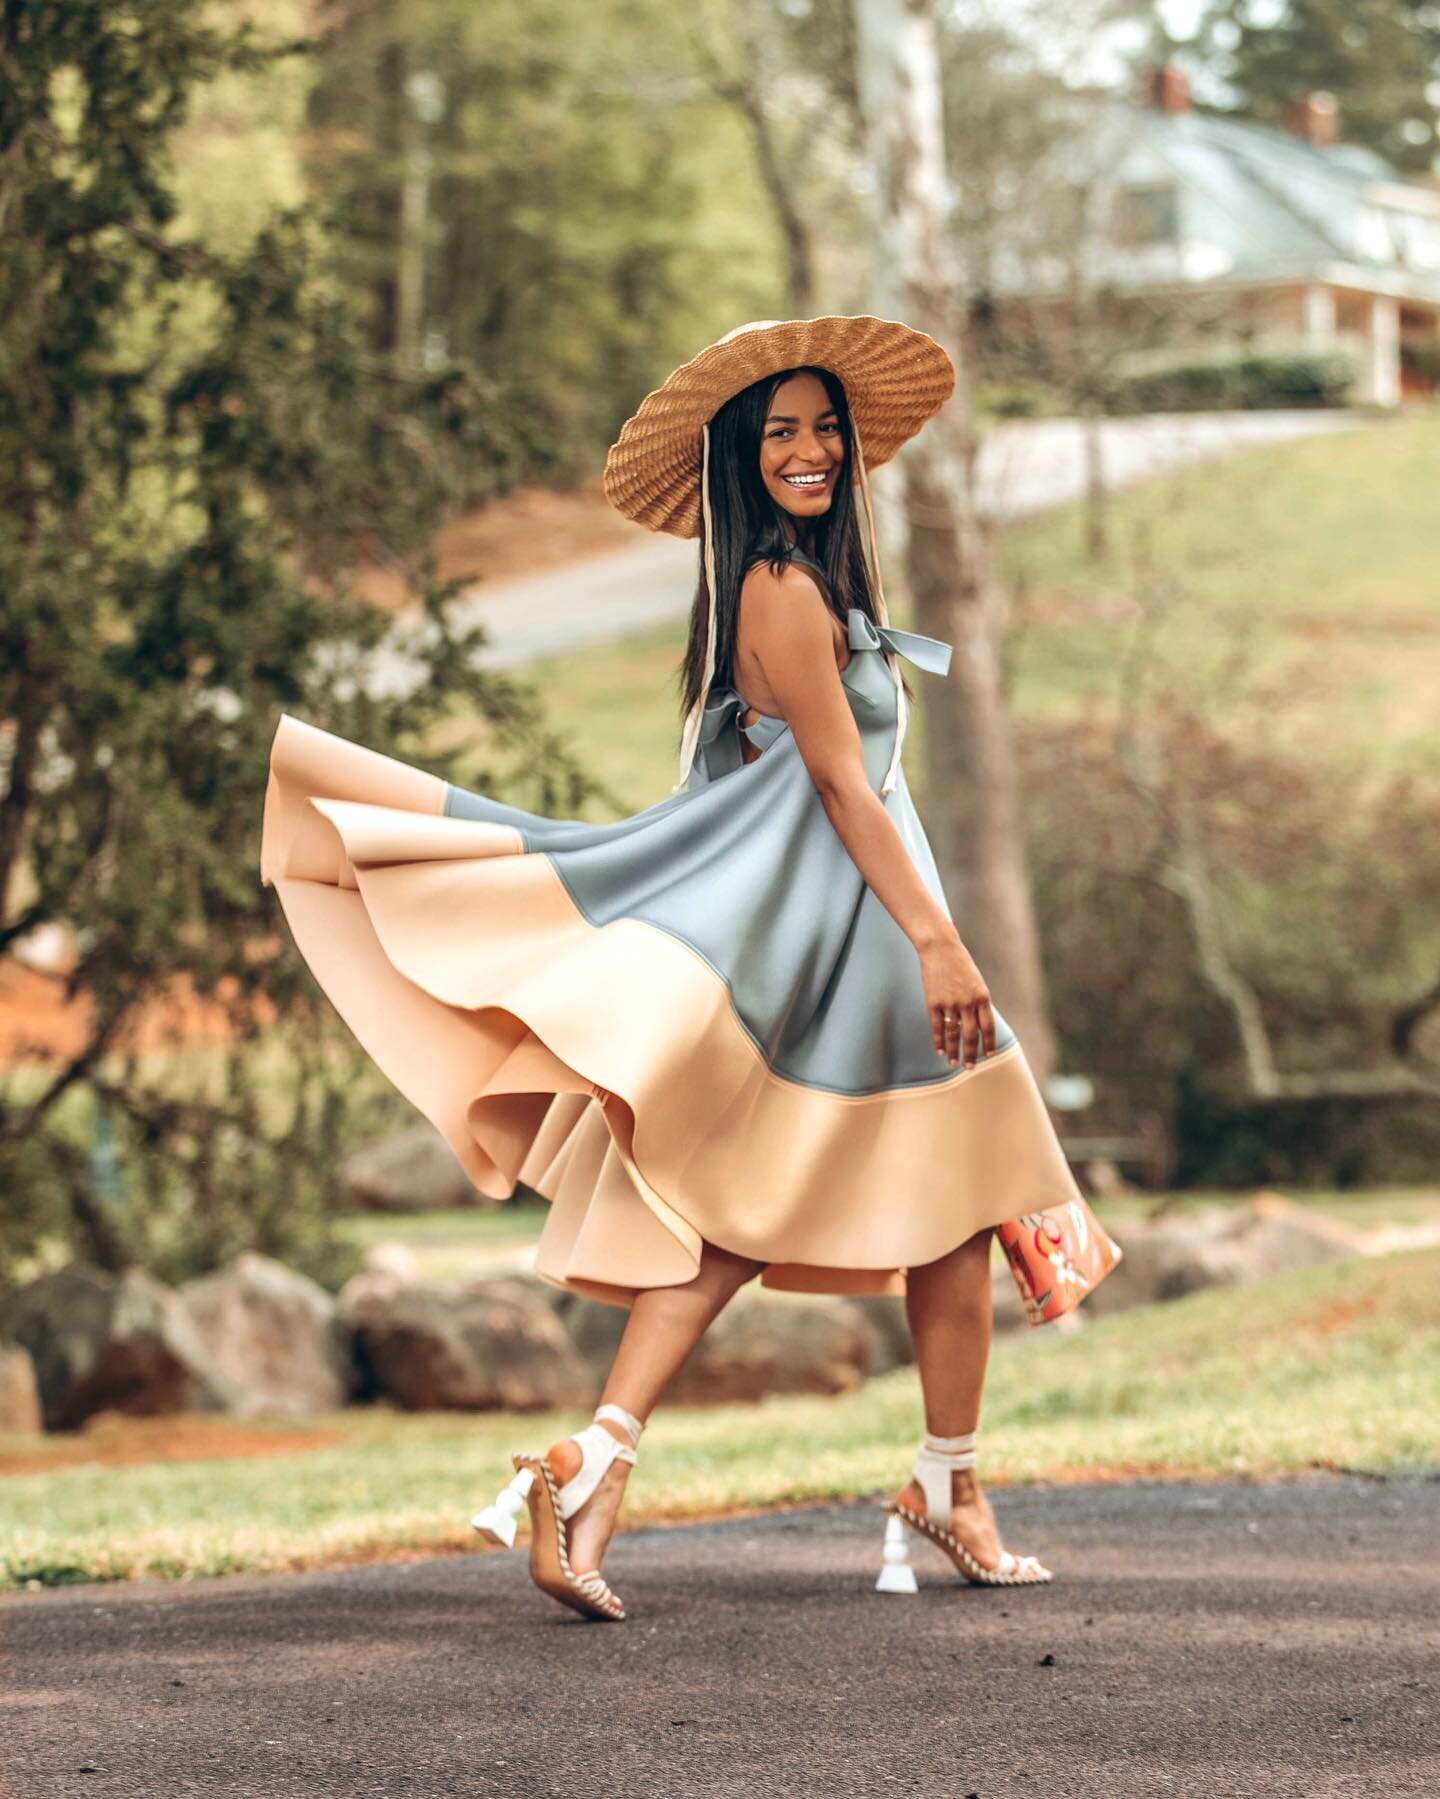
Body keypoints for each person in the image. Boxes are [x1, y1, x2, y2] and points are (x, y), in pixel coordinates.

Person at [260, 315, 1110, 1627]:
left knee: (901, 1210)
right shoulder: (781, 591)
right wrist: (940, 942)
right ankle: (677, 1470)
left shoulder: (802, 590)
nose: (815, 449)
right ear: (740, 454)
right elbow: (838, 783)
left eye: (826, 427)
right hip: (859, 947)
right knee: (819, 1202)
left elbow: (838, 783)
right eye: (783, 432)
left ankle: (705, 1472)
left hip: (862, 931)